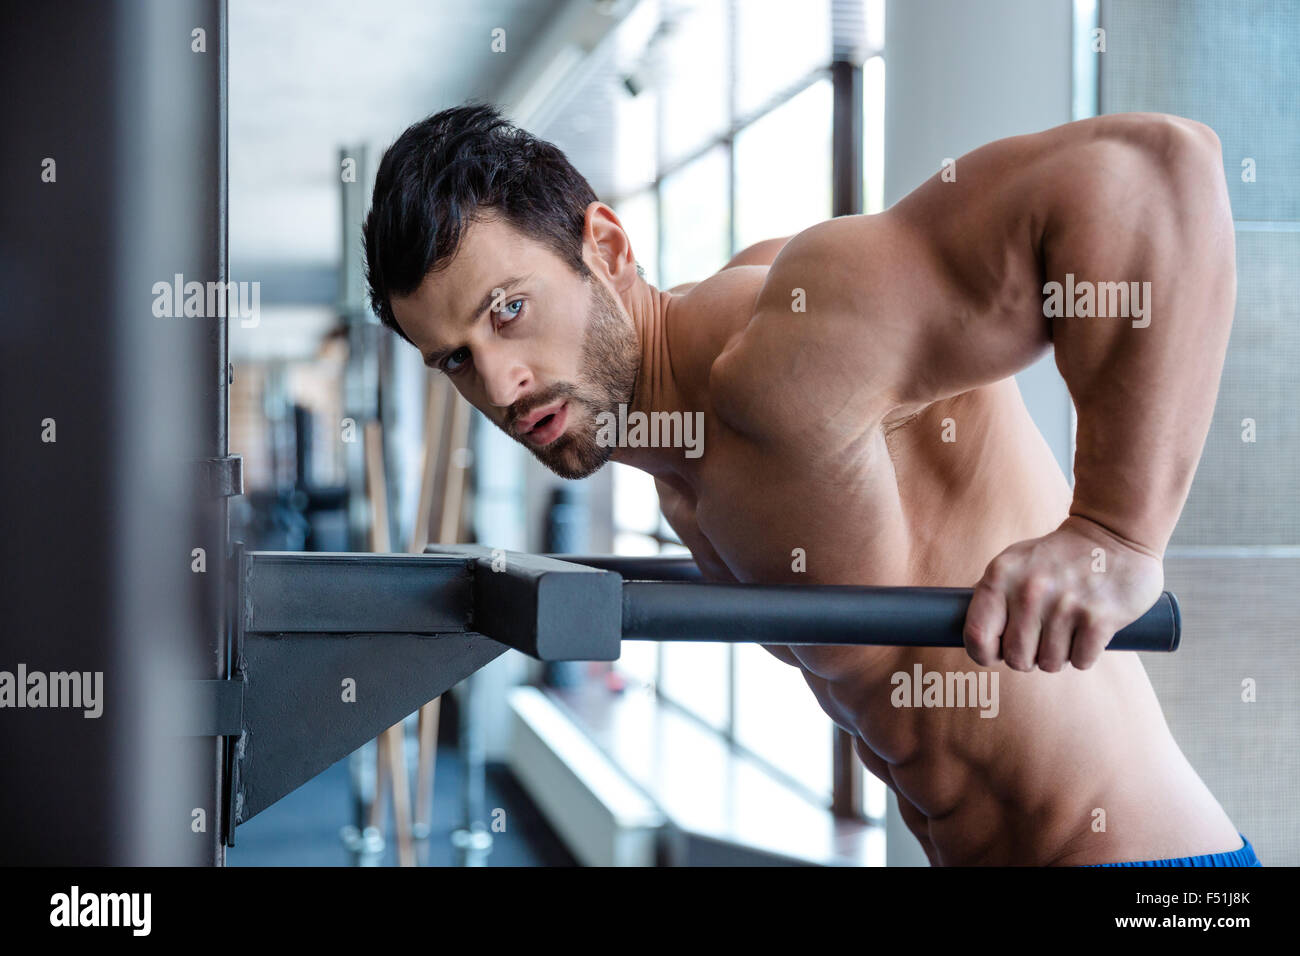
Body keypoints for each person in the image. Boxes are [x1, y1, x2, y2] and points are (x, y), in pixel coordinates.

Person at [362, 103, 1259, 866]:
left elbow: (1151, 173)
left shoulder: (781, 346)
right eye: (457, 360)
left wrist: (1116, 534)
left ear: (606, 244)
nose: (500, 384)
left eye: (508, 311)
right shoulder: (677, 473)